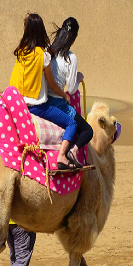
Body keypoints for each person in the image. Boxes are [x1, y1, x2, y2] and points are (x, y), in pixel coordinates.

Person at [9, 13, 78, 170]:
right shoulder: (44, 55)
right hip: (37, 107)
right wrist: (64, 95)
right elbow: (52, 85)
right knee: (72, 123)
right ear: (41, 31)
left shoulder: (20, 52)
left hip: (19, 106)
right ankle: (61, 156)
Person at [46, 17, 94, 168]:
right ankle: (72, 151)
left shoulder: (49, 50)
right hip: (58, 103)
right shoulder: (71, 58)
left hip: (42, 100)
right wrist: (78, 79)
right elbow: (72, 89)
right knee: (87, 131)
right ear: (73, 40)